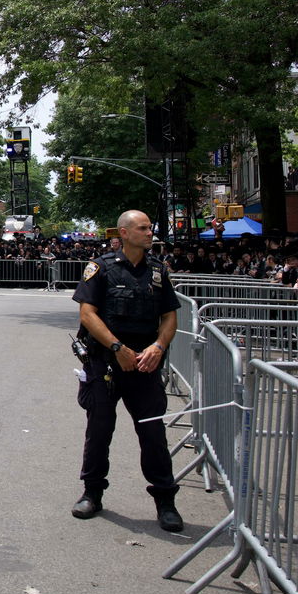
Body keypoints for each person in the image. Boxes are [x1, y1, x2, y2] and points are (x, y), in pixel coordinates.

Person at [70, 209, 184, 533]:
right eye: (143, 228)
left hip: (145, 365)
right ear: (124, 233)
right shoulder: (101, 268)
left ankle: (165, 501)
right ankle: (92, 493)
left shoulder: (159, 271)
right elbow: (87, 315)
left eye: (150, 228)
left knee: (153, 434)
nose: (150, 233)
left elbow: (170, 317)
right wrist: (117, 349)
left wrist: (158, 348)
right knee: (99, 431)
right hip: (106, 363)